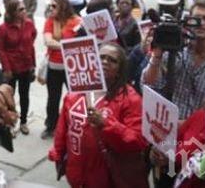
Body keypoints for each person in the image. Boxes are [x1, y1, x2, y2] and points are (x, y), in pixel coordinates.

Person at [48, 43, 148, 188]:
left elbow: (137, 140)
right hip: (76, 174)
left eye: (112, 60)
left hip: (107, 176)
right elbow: (62, 130)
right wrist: (58, 155)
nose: (105, 62)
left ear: (120, 69)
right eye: (101, 57)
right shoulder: (75, 93)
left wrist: (106, 124)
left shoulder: (130, 99)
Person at [142, 0, 205, 120]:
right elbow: (149, 83)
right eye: (197, 18)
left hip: (202, 133)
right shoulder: (173, 50)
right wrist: (156, 55)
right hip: (168, 126)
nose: (201, 23)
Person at [42, 0, 82, 139]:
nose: (51, 9)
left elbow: (82, 42)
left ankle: (72, 126)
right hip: (54, 67)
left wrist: (59, 45)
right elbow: (48, 41)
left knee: (74, 99)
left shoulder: (76, 21)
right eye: (50, 6)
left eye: (54, 6)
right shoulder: (50, 21)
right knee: (53, 98)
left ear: (63, 6)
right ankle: (50, 126)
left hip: (71, 69)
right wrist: (68, 47)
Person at [0, 0, 36, 135]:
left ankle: (24, 121)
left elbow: (32, 43)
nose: (25, 11)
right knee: (9, 98)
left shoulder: (30, 24)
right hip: (11, 68)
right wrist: (6, 68)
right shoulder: (3, 28)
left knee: (24, 95)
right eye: (21, 9)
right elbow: (1, 49)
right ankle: (11, 123)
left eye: (24, 8)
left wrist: (33, 65)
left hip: (26, 66)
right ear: (13, 12)